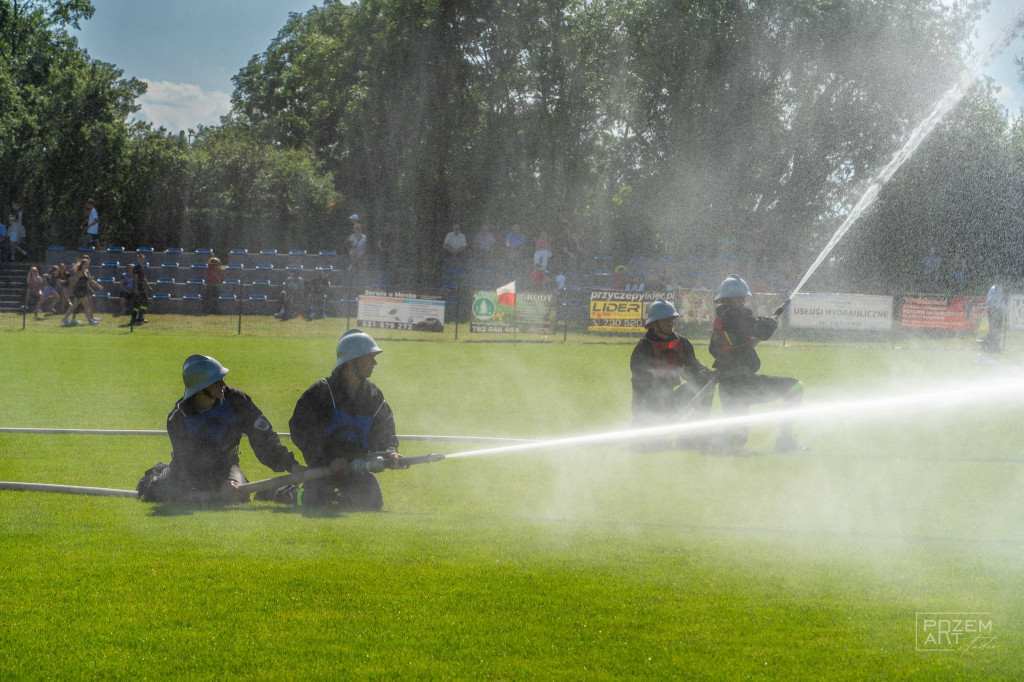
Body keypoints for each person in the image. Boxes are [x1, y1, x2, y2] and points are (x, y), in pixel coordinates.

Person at [136, 355, 305, 503]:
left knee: (237, 495)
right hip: (187, 470)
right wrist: (218, 486)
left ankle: (266, 493)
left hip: (226, 465)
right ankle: (157, 474)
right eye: (216, 381)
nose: (223, 384)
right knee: (159, 495)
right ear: (200, 387)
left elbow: (264, 438)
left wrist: (291, 465)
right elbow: (189, 463)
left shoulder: (236, 401)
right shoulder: (178, 418)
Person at [284, 329, 405, 509]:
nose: (375, 362)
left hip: (356, 469)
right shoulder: (321, 393)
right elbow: (301, 431)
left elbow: (385, 432)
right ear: (351, 362)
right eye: (369, 357)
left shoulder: (374, 396)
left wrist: (390, 452)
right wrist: (327, 460)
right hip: (324, 469)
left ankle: (340, 497)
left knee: (372, 502)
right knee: (315, 501)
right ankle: (287, 493)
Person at [708, 275, 804, 453]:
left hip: (728, 387)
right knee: (795, 387)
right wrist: (771, 323)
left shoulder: (721, 318)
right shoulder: (736, 314)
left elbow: (715, 349)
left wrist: (744, 345)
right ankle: (785, 441)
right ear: (728, 300)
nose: (743, 302)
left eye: (744, 298)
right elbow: (762, 330)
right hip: (743, 384)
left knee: (736, 440)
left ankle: (711, 442)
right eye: (739, 298)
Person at [630, 298, 715, 451]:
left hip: (671, 398)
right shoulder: (644, 348)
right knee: (656, 445)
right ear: (654, 324)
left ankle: (691, 435)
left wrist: (706, 374)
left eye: (672, 319)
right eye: (666, 320)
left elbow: (692, 367)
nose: (671, 323)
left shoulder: (681, 343)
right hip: (649, 405)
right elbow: (641, 385)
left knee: (706, 386)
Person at [61, 255, 103, 326]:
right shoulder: (79, 272)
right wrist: (70, 289)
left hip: (82, 290)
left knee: (74, 306)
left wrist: (98, 286)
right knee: (86, 305)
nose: (87, 265)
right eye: (86, 264)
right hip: (79, 290)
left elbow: (90, 280)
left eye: (88, 264)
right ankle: (90, 321)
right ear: (82, 264)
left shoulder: (85, 271)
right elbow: (78, 281)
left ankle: (65, 318)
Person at [980, 281, 1004, 354]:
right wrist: (993, 312)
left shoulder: (999, 289)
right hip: (994, 312)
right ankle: (985, 342)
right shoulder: (994, 289)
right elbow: (990, 301)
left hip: (998, 312)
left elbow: (999, 302)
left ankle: (994, 346)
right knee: (994, 331)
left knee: (998, 331)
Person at [130, 252, 153, 326]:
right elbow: (136, 279)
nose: (142, 260)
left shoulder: (141, 268)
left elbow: (144, 278)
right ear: (137, 259)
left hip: (141, 287)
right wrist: (136, 289)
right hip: (138, 288)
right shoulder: (136, 268)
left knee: (139, 303)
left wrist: (148, 286)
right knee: (143, 302)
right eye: (140, 259)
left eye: (143, 259)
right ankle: (137, 318)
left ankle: (137, 318)